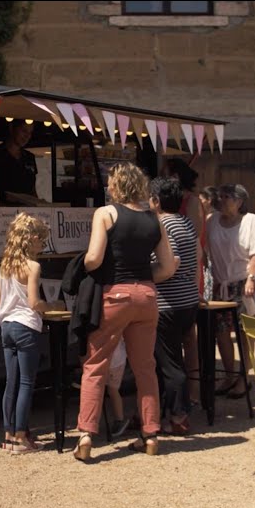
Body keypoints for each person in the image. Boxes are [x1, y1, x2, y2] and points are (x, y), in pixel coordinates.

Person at [74, 163, 178, 461]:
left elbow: (93, 259)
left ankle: (85, 435)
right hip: (146, 295)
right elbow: (168, 267)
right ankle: (151, 434)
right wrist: (142, 279)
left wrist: (81, 267)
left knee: (95, 365)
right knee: (145, 367)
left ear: (116, 186)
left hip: (114, 295)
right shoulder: (154, 219)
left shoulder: (106, 213)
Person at [0, 212, 54, 454]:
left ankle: (9, 435)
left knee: (11, 383)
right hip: (25, 327)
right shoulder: (33, 266)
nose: (42, 245)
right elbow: (33, 302)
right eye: (40, 240)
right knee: (27, 383)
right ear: (30, 239)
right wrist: (49, 307)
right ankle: (22, 436)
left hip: (6, 326)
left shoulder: (5, 265)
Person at [206, 183, 255, 398]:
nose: (222, 201)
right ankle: (229, 374)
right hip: (220, 284)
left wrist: (251, 278)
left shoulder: (249, 221)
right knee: (221, 331)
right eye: (221, 196)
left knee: (245, 332)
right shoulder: (212, 221)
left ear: (240, 201)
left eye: (228, 197)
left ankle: (244, 377)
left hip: (244, 284)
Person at [150, 176, 201, 435]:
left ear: (156, 201)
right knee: (173, 359)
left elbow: (167, 265)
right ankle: (166, 412)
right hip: (187, 300)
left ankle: (178, 416)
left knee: (169, 363)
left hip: (167, 302)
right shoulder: (187, 223)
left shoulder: (161, 226)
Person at [0, 121, 38, 205]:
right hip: (2, 211)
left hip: (27, 212)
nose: (27, 136)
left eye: (30, 133)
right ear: (12, 128)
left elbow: (33, 190)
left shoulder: (29, 157)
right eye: (24, 131)